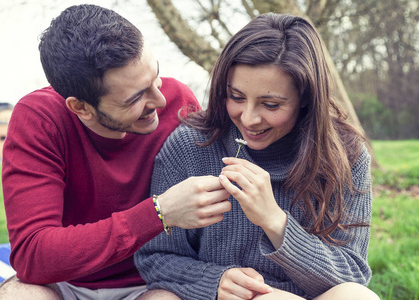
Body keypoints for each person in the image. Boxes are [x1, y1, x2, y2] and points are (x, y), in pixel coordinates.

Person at [0, 4, 232, 300]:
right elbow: (33, 256)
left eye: (155, 77)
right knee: (19, 296)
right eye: (135, 97)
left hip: (154, 281)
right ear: (81, 107)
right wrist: (160, 212)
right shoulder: (39, 119)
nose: (159, 100)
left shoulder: (178, 100)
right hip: (65, 283)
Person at [135, 13, 380, 300]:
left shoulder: (345, 156)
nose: (249, 118)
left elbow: (352, 276)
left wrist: (274, 220)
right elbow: (155, 257)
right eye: (236, 97)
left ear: (306, 99)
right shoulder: (190, 147)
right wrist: (214, 281)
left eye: (271, 104)